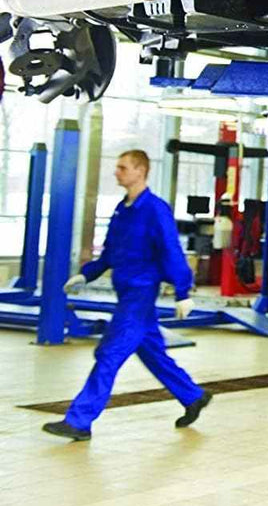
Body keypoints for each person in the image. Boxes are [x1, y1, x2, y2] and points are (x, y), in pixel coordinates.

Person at [43, 149, 212, 441]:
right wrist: (88, 273)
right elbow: (110, 252)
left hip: (140, 294)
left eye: (122, 167)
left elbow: (171, 250)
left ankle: (79, 421)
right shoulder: (123, 210)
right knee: (151, 351)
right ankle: (193, 395)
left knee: (109, 353)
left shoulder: (155, 210)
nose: (116, 172)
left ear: (140, 171)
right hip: (126, 292)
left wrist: (183, 291)